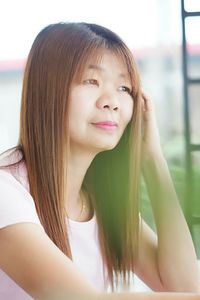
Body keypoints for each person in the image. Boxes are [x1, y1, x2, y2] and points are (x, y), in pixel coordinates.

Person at [0, 22, 199, 300]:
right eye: (91, 81)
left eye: (124, 88)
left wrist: (152, 158)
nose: (112, 102)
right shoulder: (6, 192)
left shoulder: (103, 200)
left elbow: (185, 286)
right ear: (48, 90)